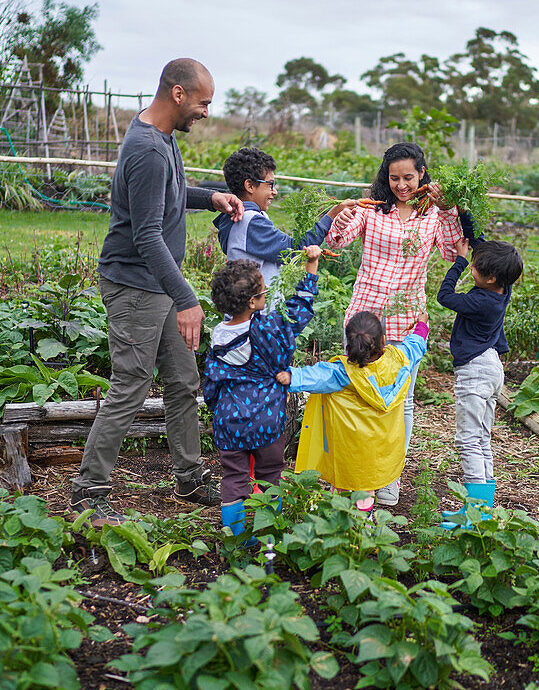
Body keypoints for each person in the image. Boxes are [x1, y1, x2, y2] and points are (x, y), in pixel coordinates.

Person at [70, 58, 244, 526]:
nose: (207, 111)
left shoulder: (160, 135)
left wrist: (210, 196)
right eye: (204, 102)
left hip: (158, 285)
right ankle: (88, 491)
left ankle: (188, 478)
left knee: (184, 382)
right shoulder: (147, 148)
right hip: (134, 285)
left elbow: (171, 191)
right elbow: (146, 234)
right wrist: (187, 298)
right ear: (179, 94)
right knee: (131, 385)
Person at [325, 142, 463, 505]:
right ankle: (351, 477)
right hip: (365, 315)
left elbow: (452, 253)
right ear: (386, 178)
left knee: (401, 401)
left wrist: (449, 210)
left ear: (421, 173)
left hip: (407, 318)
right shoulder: (373, 207)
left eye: (408, 177)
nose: (401, 185)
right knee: (353, 393)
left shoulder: (433, 212)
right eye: (394, 178)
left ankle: (388, 479)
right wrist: (339, 217)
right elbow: (337, 240)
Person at [203, 247, 323, 540]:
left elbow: (210, 384)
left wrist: (218, 409)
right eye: (262, 290)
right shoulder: (268, 330)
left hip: (229, 421)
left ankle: (235, 539)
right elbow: (298, 314)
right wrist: (311, 267)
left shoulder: (218, 336)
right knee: (271, 473)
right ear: (253, 302)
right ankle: (269, 533)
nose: (266, 292)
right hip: (266, 418)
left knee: (234, 477)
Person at [276, 311, 428, 511]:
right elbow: (415, 345)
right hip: (378, 455)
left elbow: (311, 376)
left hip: (346, 455)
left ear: (349, 343)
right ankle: (362, 530)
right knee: (365, 494)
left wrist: (287, 376)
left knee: (342, 492)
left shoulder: (341, 373)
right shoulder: (400, 360)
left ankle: (341, 532)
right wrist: (422, 325)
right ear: (383, 339)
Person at [435, 238, 523, 528]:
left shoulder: (480, 301)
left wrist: (458, 263)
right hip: (492, 368)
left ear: (492, 277)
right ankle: (481, 511)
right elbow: (482, 245)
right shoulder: (502, 290)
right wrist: (464, 216)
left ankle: (474, 516)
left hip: (475, 371)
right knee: (482, 439)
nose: (471, 265)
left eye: (474, 267)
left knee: (469, 440)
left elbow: (445, 296)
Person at [214, 147, 356, 292]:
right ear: (250, 185)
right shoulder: (249, 220)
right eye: (270, 185)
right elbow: (293, 249)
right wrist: (332, 215)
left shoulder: (241, 216)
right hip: (255, 312)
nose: (274, 191)